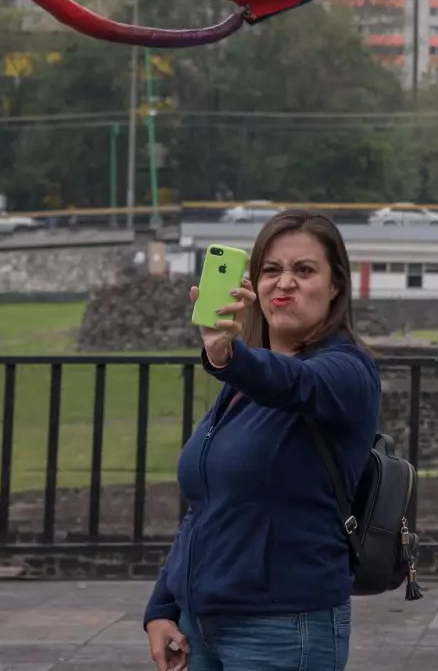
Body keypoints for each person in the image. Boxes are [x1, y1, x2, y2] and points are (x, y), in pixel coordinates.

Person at [143, 209, 380, 671]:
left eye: (304, 270)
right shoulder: (241, 384)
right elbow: (206, 507)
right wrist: (163, 607)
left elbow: (295, 383)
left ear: (336, 287)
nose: (284, 282)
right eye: (271, 270)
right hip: (200, 628)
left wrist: (228, 354)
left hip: (283, 629)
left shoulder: (347, 371)